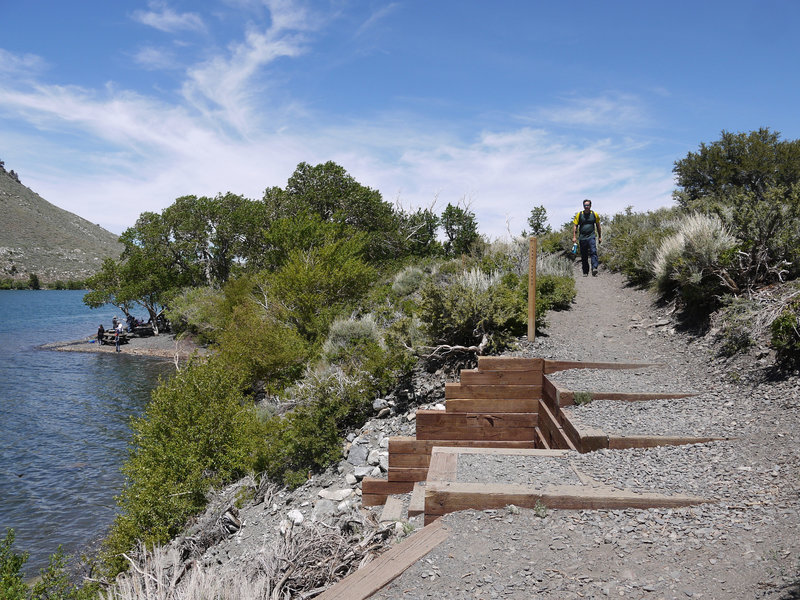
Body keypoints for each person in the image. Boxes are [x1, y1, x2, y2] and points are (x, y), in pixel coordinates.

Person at [572, 199, 602, 277]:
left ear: (590, 206)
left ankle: (594, 268)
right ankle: (585, 271)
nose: (586, 207)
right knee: (584, 255)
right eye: (585, 205)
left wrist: (600, 236)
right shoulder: (579, 215)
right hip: (582, 238)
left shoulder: (594, 214)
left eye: (588, 205)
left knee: (593, 251)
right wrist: (574, 237)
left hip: (591, 236)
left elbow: (598, 225)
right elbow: (575, 226)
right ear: (583, 206)